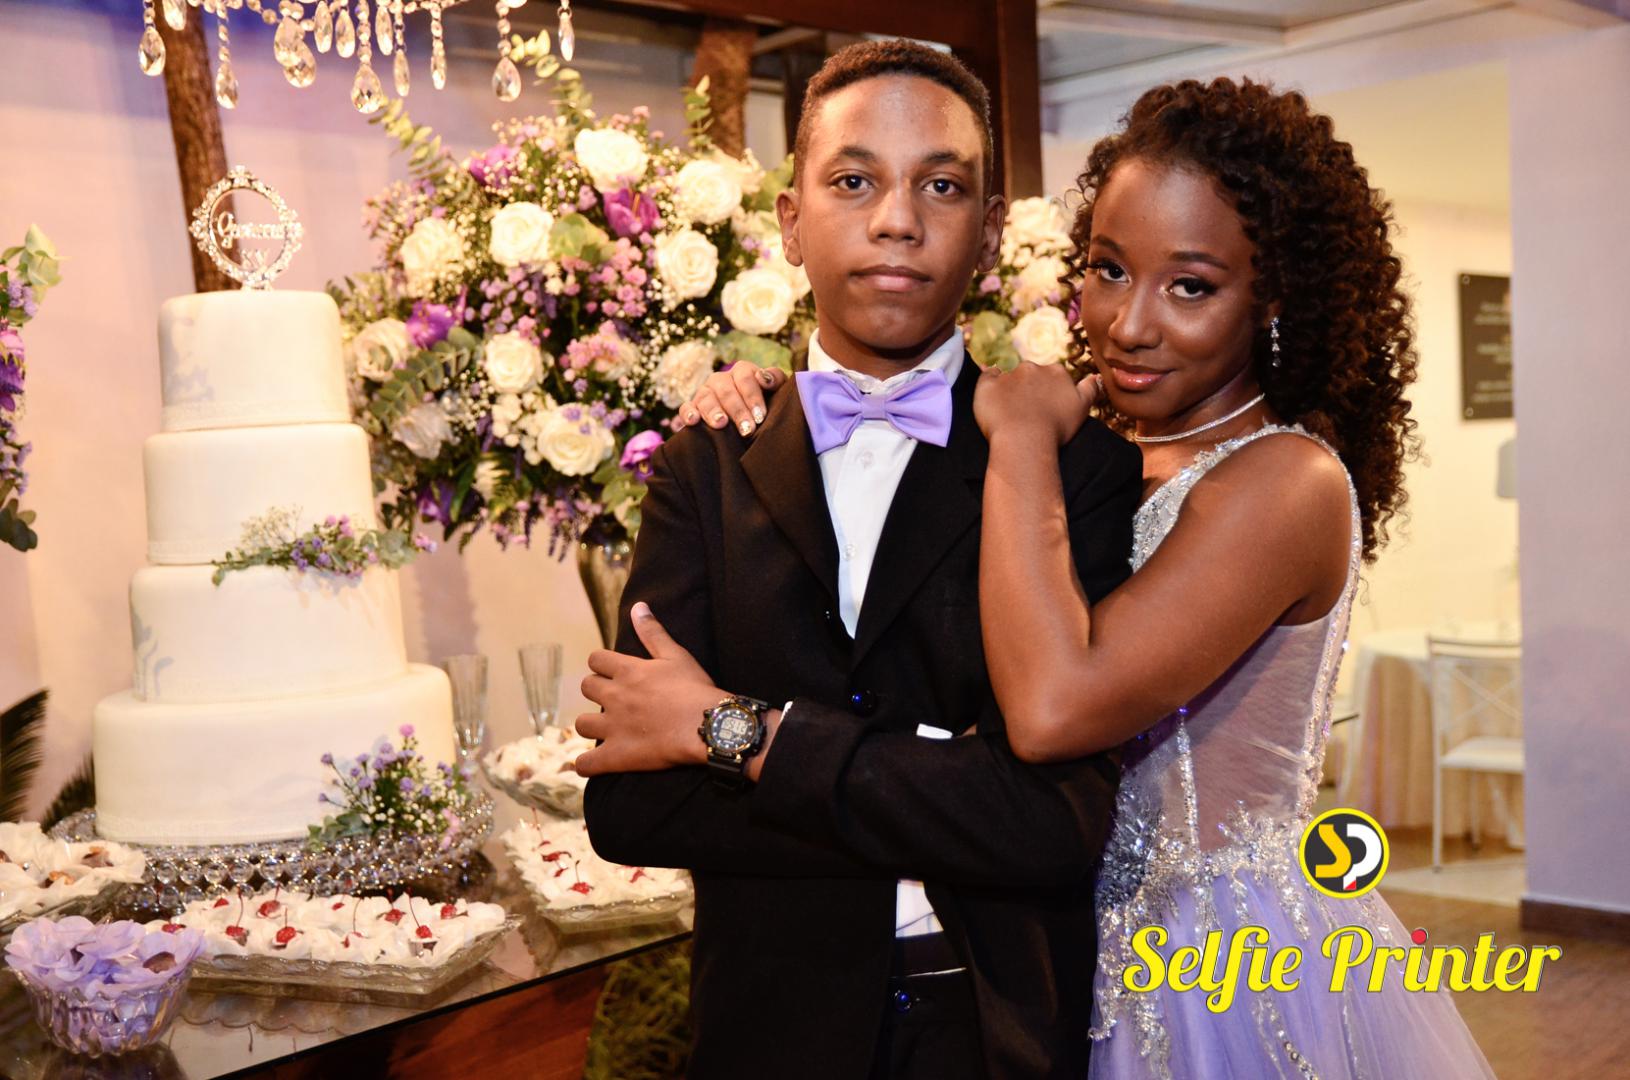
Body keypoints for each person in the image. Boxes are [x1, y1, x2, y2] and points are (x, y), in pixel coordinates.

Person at [671, 77, 1497, 1079]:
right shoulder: (1100, 452)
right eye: (1109, 269)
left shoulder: (1284, 482)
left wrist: (1021, 440)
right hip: (1054, 950)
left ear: (1274, 298)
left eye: (1190, 287)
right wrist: (779, 406)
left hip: (1211, 960)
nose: (1129, 323)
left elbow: (1053, 710)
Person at [574, 40, 1142, 1080]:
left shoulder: (1074, 468)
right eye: (853, 181)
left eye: (941, 186)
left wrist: (727, 731)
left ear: (987, 231)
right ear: (791, 222)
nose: (896, 220)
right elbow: (632, 805)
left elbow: (1047, 824)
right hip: (764, 1034)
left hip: (989, 1034)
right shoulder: (705, 464)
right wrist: (940, 779)